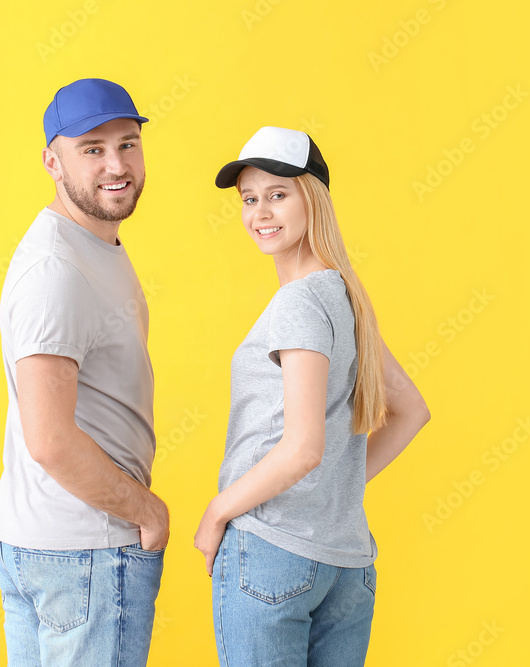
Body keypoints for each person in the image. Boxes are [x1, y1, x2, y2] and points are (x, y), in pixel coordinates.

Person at [194, 126, 431, 666]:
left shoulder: (299, 302)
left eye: (278, 194)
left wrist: (217, 511)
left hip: (272, 549)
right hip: (346, 565)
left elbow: (303, 449)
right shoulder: (345, 297)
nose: (261, 213)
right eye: (249, 199)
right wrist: (334, 487)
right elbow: (412, 410)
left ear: (314, 199)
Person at [0, 78, 169, 667]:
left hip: (58, 549)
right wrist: (145, 509)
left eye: (128, 143)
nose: (116, 165)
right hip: (84, 553)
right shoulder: (56, 269)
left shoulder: (93, 245)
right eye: (91, 149)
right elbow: (50, 440)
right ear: (51, 160)